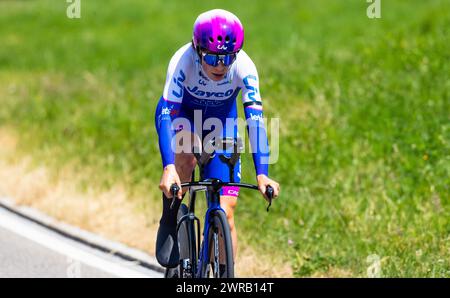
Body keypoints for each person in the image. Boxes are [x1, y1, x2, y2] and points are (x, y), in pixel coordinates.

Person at [154, 9, 280, 268]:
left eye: (227, 58)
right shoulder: (182, 61)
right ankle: (170, 214)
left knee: (227, 210)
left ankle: (225, 275)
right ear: (197, 49)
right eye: (212, 57)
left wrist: (262, 173)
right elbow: (167, 114)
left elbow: (255, 120)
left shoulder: (245, 67)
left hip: (223, 125)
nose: (220, 65)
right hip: (184, 118)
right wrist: (168, 168)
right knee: (186, 153)